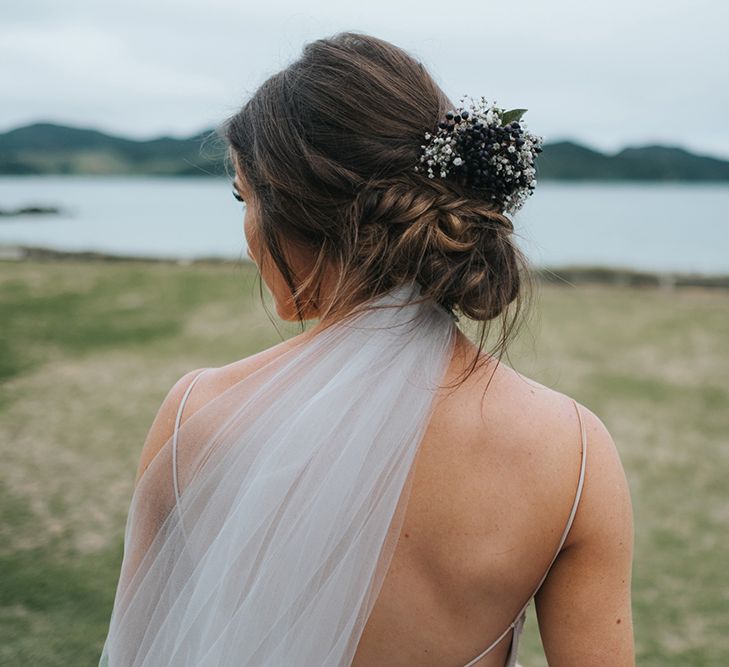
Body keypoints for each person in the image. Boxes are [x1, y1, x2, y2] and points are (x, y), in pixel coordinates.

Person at [99, 31, 635, 667]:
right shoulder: (573, 453)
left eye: (245, 197)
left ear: (292, 207)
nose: (247, 239)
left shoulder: (197, 417)